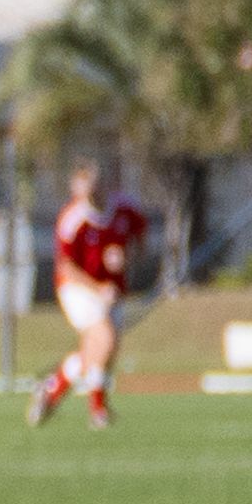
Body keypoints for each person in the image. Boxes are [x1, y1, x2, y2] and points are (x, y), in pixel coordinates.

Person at [28, 158, 150, 429]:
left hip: (111, 291)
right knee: (104, 338)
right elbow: (66, 267)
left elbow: (140, 240)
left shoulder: (124, 207)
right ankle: (98, 410)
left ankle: (51, 388)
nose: (90, 195)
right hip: (78, 289)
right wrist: (98, 289)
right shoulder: (72, 219)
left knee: (100, 350)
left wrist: (127, 258)